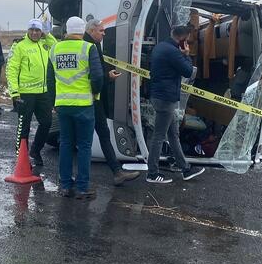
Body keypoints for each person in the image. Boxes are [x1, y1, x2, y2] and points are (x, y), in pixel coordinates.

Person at [47, 16, 103, 199]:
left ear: (67, 31)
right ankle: (81, 187)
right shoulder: (88, 47)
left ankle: (64, 186)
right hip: (84, 105)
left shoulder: (55, 48)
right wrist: (95, 93)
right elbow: (97, 76)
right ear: (82, 31)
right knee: (84, 146)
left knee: (65, 144)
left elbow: (50, 79)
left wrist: (54, 101)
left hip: (63, 105)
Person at [84, 18, 141, 185]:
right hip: (91, 100)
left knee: (99, 135)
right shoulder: (89, 46)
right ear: (91, 30)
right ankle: (112, 173)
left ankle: (116, 172)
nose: (104, 33)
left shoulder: (93, 45)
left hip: (92, 100)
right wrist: (106, 77)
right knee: (93, 137)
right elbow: (93, 75)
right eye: (101, 31)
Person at [146, 25, 205, 184]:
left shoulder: (161, 47)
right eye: (186, 40)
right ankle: (152, 173)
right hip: (166, 98)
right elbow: (188, 71)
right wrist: (186, 55)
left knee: (173, 134)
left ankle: (185, 169)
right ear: (182, 39)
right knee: (159, 136)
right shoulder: (173, 52)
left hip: (161, 96)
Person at [6, 19, 57, 163]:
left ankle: (35, 151)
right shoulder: (19, 45)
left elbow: (56, 46)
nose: (34, 33)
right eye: (32, 30)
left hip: (43, 93)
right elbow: (11, 69)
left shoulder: (45, 44)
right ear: (28, 30)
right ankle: (20, 156)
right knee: (24, 126)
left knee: (46, 123)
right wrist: (14, 93)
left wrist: (47, 34)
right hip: (25, 94)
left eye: (38, 30)